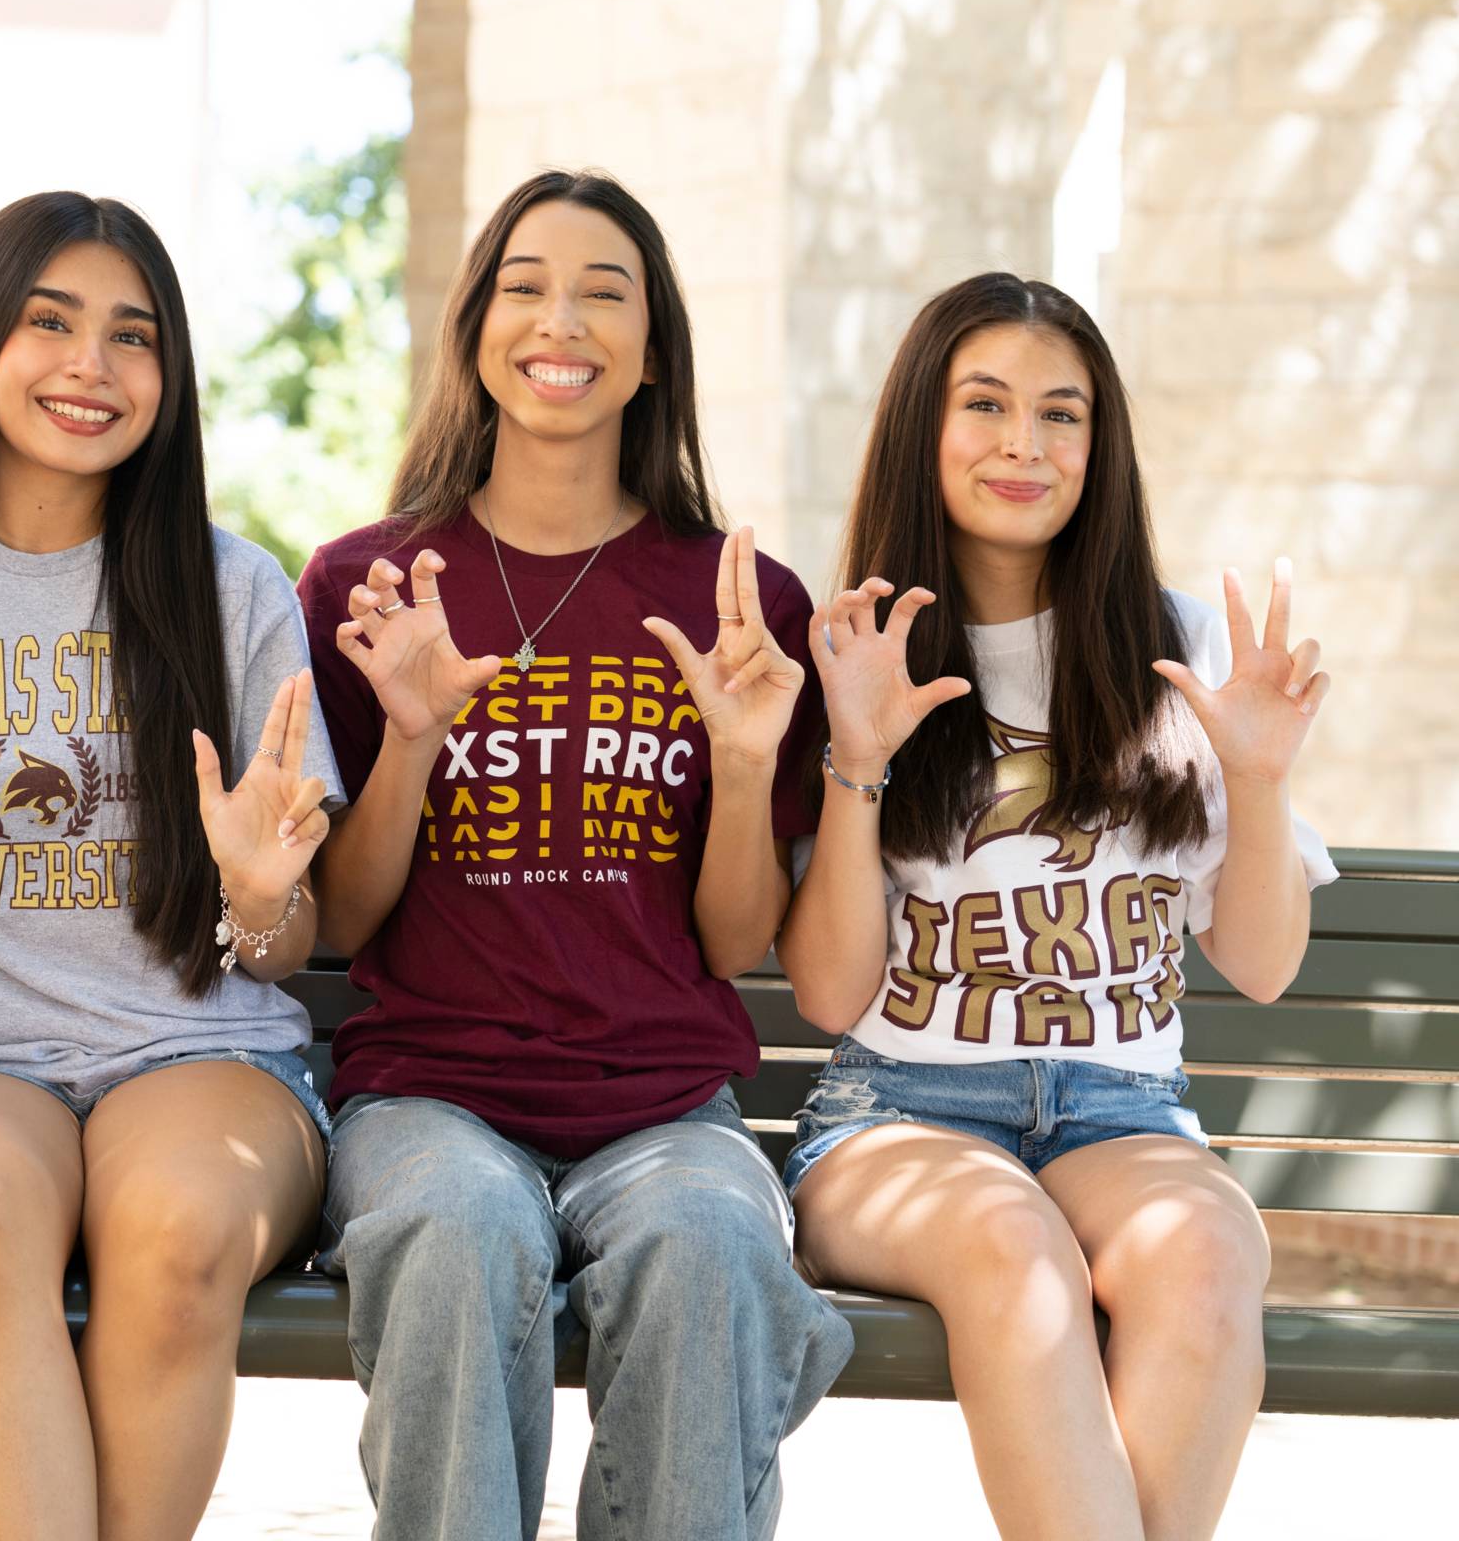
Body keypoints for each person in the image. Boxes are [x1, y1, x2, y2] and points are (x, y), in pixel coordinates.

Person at [297, 168, 853, 1541]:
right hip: (430, 1096)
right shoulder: (368, 585)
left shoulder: (737, 599)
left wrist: (734, 759)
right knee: (457, 1234)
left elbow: (733, 943)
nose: (564, 322)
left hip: (664, 1108)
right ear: (476, 327)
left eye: (607, 294)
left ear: (653, 348)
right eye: (527, 286)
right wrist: (415, 737)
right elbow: (337, 921)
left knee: (716, 1244)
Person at [0, 191, 343, 1540]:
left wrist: (261, 899)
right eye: (50, 322)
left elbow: (276, 952)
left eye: (132, 335)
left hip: (199, 1056)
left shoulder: (235, 594)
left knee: (179, 1232)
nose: (89, 368)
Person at [776, 271, 1337, 1540]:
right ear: (925, 426)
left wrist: (1255, 775)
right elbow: (826, 993)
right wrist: (856, 756)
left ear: (1103, 442)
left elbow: (1259, 963)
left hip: (1123, 1111)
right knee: (1011, 1247)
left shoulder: (1172, 642)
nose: (1025, 444)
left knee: (1207, 1254)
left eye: (1062, 413)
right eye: (985, 404)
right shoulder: (861, 643)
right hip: (903, 1112)